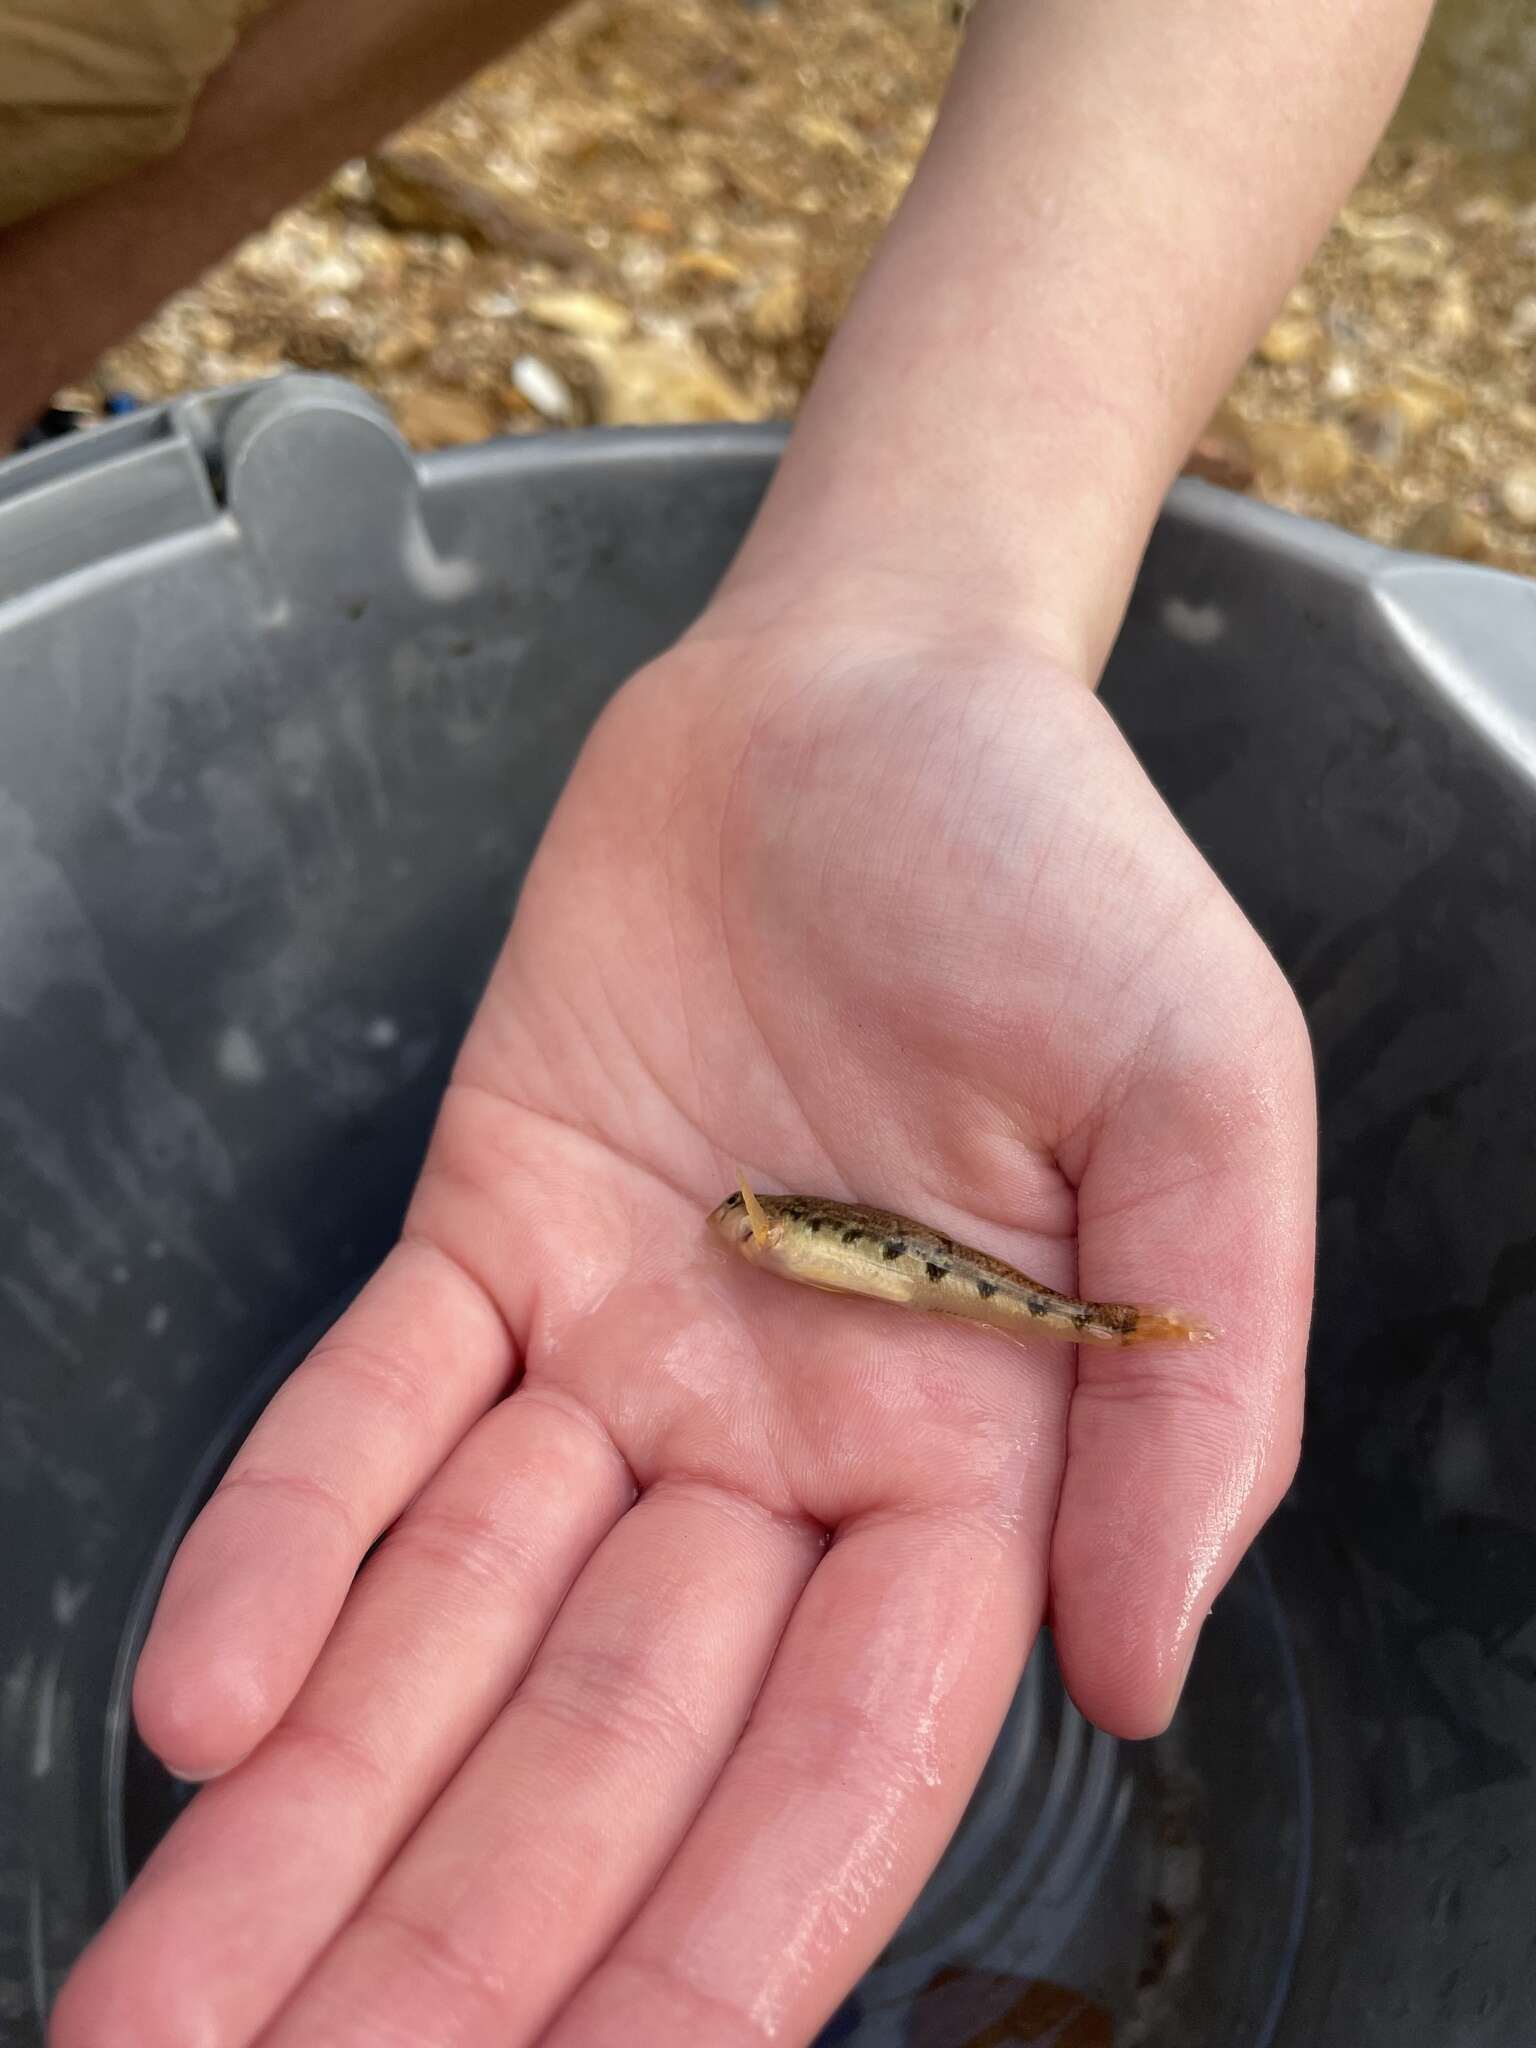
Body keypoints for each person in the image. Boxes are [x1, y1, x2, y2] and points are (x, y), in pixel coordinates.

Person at [23, 0, 1432, 2041]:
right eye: (765, 1240)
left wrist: (922, 591)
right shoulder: (787, 1235)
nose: (755, 1247)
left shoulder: (817, 1235)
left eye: (768, 1239)